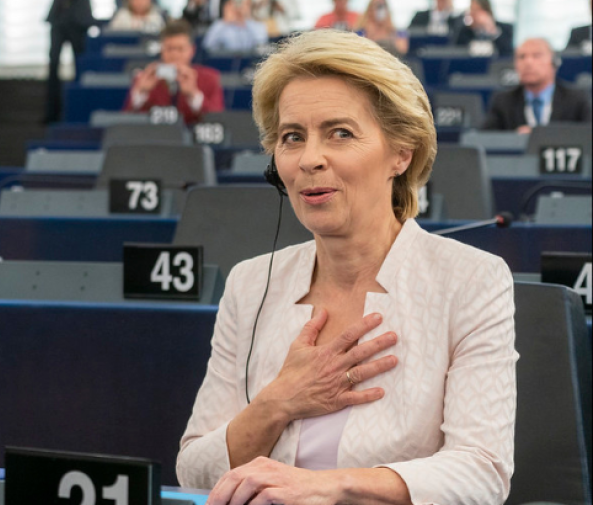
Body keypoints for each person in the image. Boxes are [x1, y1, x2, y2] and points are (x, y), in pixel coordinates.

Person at [177, 29, 517, 504]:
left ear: (402, 153)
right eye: (292, 137)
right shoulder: (250, 283)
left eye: (340, 133)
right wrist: (281, 400)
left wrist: (330, 486)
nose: (310, 159)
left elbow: (482, 474)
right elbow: (193, 470)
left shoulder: (471, 280)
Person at [124, 20, 224, 124]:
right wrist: (141, 93)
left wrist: (193, 95)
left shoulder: (210, 78)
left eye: (180, 49)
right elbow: (126, 124)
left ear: (192, 50)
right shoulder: (145, 78)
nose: (174, 55)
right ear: (161, 50)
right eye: (169, 49)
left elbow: (218, 121)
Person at [483, 38, 592, 132]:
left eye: (536, 56)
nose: (528, 62)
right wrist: (514, 138)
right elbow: (485, 137)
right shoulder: (503, 101)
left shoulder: (576, 99)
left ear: (554, 62)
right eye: (522, 57)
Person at [44, 0, 94, 124]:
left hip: (79, 19)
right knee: (53, 66)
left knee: (80, 69)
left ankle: (77, 114)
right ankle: (52, 114)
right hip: (58, 17)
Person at [201, 0, 268, 53]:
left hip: (250, 65)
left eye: (245, 4)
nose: (240, 7)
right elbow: (207, 46)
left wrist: (245, 21)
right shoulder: (220, 25)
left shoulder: (258, 26)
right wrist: (225, 22)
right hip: (225, 64)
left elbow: (261, 46)